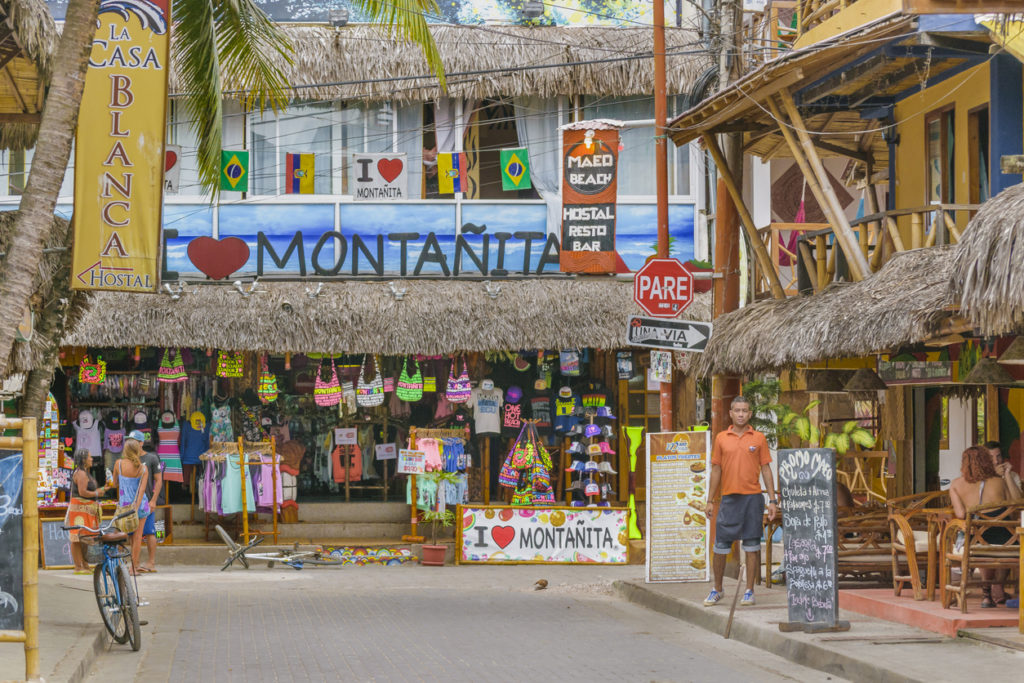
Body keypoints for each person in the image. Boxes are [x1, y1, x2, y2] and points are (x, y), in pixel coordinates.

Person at [704, 396, 778, 607]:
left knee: (752, 545)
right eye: (737, 410)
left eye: (745, 410)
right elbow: (716, 469)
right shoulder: (720, 438)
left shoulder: (759, 438)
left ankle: (749, 591)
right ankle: (717, 589)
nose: (741, 414)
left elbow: (766, 469)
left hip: (753, 499)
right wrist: (710, 500)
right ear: (730, 413)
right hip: (728, 499)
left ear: (750, 414)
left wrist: (772, 500)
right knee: (720, 545)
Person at [949, 445, 1011, 607]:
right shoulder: (998, 482)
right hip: (1007, 542)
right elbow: (1012, 505)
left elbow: (961, 515)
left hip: (976, 543)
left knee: (980, 537)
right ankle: (993, 590)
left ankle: (986, 594)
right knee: (990, 537)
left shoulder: (956, 485)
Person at [111, 434, 150, 575]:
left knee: (121, 534)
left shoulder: (118, 464)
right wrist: (136, 507)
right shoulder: (143, 468)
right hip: (140, 507)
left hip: (124, 506)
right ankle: (134, 567)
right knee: (137, 537)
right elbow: (142, 490)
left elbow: (114, 484)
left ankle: (117, 564)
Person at [64, 449, 108, 574]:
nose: (91, 459)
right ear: (83, 459)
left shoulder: (85, 472)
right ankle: (78, 566)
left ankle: (84, 564)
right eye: (89, 457)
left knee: (84, 538)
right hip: (79, 511)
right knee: (77, 538)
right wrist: (96, 492)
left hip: (85, 510)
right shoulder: (81, 474)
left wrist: (102, 489)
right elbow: (83, 492)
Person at [138, 440, 164, 573]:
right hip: (130, 502)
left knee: (149, 531)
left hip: (146, 500)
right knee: (128, 532)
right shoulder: (126, 459)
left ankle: (151, 562)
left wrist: (153, 500)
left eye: (134, 441)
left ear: (141, 443)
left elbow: (159, 480)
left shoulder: (151, 458)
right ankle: (134, 562)